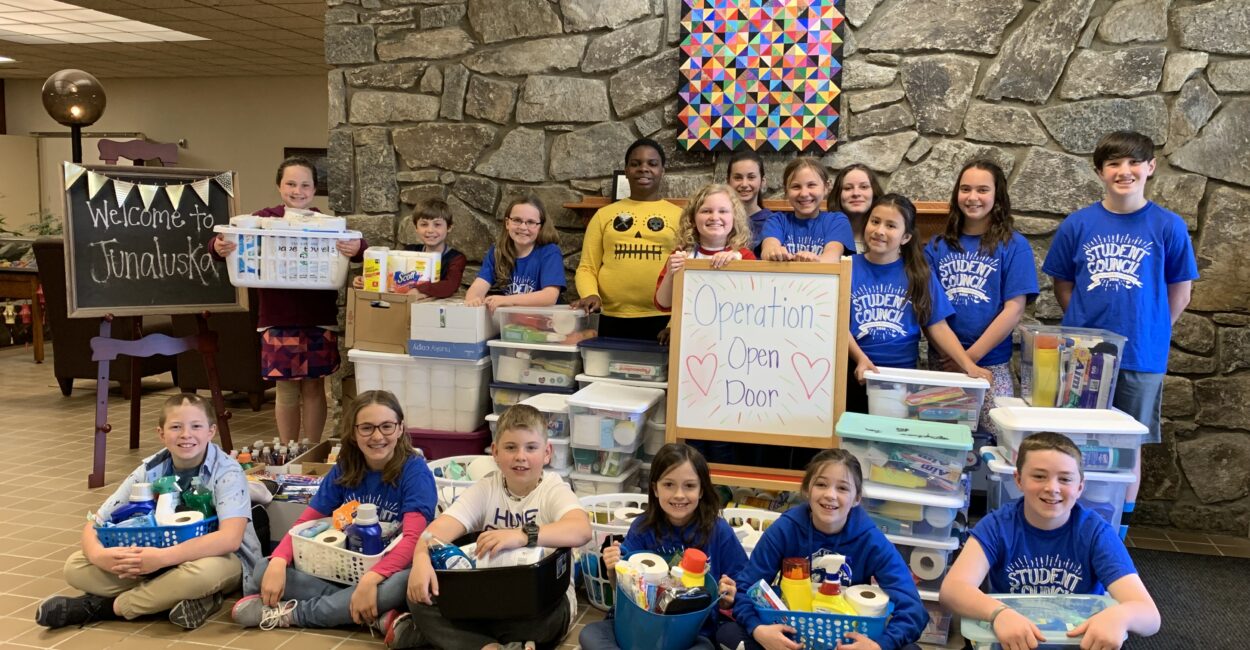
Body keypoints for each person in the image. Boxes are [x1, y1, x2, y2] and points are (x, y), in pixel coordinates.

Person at [1042, 130, 1197, 535]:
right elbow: (1063, 285)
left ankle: (1116, 534)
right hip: (1083, 354)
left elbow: (1180, 292)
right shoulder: (1078, 224)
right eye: (1113, 163)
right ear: (1100, 171)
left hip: (1142, 357)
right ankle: (1070, 525)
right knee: (1074, 441)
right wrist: (1084, 325)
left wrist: (1152, 328)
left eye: (1133, 162)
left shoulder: (1169, 226)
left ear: (1150, 167)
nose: (1124, 171)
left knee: (1129, 447)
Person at [36, 394, 262, 630]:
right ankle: (181, 596)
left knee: (201, 576)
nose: (186, 434)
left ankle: (104, 608)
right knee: (75, 567)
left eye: (196, 426)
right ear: (161, 434)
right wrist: (99, 556)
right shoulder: (150, 468)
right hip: (158, 560)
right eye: (176, 427)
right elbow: (95, 522)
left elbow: (229, 539)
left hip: (216, 559)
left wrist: (162, 559)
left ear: (211, 431)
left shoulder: (227, 471)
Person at [383, 404, 593, 649]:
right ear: (495, 452)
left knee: (541, 622)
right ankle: (492, 646)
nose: (521, 456)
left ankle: (447, 637)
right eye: (510, 447)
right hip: (489, 598)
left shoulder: (553, 488)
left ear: (547, 453)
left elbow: (582, 530)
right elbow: (433, 533)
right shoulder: (487, 488)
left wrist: (522, 535)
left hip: (542, 604)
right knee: (419, 596)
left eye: (531, 447)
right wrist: (420, 559)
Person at [231, 390, 436, 631]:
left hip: (391, 571)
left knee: (400, 585)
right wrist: (278, 560)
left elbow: (413, 540)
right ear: (354, 433)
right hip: (345, 569)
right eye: (367, 428)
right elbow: (307, 520)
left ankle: (294, 615)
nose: (378, 436)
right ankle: (372, 615)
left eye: (387, 426)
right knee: (264, 569)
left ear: (400, 428)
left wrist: (372, 579)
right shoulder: (346, 467)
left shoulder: (415, 472)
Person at [939, 432, 1161, 649]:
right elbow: (952, 591)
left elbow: (1150, 616)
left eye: (1065, 479)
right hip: (1013, 641)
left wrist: (1120, 616)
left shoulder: (1096, 533)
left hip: (1076, 642)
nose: (1052, 488)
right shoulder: (997, 527)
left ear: (1080, 487)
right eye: (1039, 476)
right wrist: (998, 613)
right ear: (1018, 480)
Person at [211, 157, 366, 443]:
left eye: (305, 185)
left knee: (315, 387)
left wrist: (356, 247)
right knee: (285, 389)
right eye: (291, 184)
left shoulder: (325, 223)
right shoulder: (264, 220)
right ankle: (289, 450)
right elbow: (226, 239)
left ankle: (313, 447)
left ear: (315, 189)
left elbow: (359, 247)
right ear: (279, 186)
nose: (298, 191)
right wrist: (218, 245)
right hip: (277, 318)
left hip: (318, 319)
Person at [717, 449, 926, 650]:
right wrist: (759, 630)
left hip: (846, 642)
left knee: (910, 648)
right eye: (821, 484)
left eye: (842, 488)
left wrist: (879, 646)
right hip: (791, 638)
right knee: (728, 633)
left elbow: (914, 610)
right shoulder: (785, 529)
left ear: (857, 498)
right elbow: (745, 589)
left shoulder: (871, 540)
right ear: (807, 490)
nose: (830, 495)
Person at [580, 443, 749, 650]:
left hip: (693, 634)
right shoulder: (642, 527)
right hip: (637, 629)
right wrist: (612, 570)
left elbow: (742, 582)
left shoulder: (718, 530)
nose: (679, 495)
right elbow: (622, 589)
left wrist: (729, 596)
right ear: (655, 489)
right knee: (590, 634)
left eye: (689, 486)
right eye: (669, 484)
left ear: (702, 490)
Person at [847, 194, 992, 414]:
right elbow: (837, 325)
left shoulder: (919, 274)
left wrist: (968, 364)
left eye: (891, 225)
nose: (879, 231)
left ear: (905, 237)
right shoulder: (846, 267)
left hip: (902, 377)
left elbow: (938, 326)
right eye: (875, 221)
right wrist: (860, 358)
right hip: (855, 372)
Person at [924, 161, 1038, 435]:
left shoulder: (1014, 246)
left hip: (991, 364)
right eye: (965, 189)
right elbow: (929, 311)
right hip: (943, 364)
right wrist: (956, 359)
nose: (972, 197)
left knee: (998, 437)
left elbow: (1014, 309)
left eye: (982, 190)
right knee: (940, 439)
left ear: (997, 196)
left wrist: (968, 359)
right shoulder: (936, 246)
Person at [574, 137, 682, 341]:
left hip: (664, 318)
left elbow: (688, 273)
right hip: (610, 317)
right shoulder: (604, 215)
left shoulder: (680, 217)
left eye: (652, 163)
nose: (643, 168)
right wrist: (590, 294)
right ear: (626, 171)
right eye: (635, 163)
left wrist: (674, 322)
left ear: (662, 171)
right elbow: (587, 267)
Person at [654, 183, 757, 311]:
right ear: (693, 219)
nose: (714, 217)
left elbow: (754, 301)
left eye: (723, 211)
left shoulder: (744, 256)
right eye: (706, 211)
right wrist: (670, 273)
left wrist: (738, 267)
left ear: (735, 218)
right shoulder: (682, 255)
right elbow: (662, 304)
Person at [464, 195, 564, 313]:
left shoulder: (550, 252)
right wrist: (473, 299)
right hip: (511, 321)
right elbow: (478, 286)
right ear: (507, 223)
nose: (523, 227)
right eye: (517, 220)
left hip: (546, 320)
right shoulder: (497, 251)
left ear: (540, 227)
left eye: (531, 222)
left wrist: (507, 300)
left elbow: (549, 296)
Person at [352, 198, 467, 298]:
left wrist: (420, 290)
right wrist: (368, 279)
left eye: (437, 225)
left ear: (449, 227)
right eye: (424, 224)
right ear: (416, 227)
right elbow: (389, 274)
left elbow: (450, 285)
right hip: (405, 304)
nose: (430, 230)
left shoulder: (456, 258)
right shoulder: (409, 251)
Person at [759, 157, 854, 263]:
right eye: (796, 186)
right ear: (786, 190)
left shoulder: (836, 221)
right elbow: (767, 250)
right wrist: (774, 252)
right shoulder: (776, 221)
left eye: (811, 185)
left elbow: (833, 257)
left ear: (826, 187)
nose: (804, 194)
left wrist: (815, 261)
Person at [727, 150, 776, 255]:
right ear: (728, 181)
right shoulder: (720, 219)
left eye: (751, 177)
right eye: (738, 178)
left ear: (762, 182)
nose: (744, 184)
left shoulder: (773, 222)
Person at [832, 164, 882, 254]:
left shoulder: (887, 239)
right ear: (838, 195)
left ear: (874, 193)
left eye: (864, 187)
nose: (856, 193)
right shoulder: (824, 234)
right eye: (848, 188)